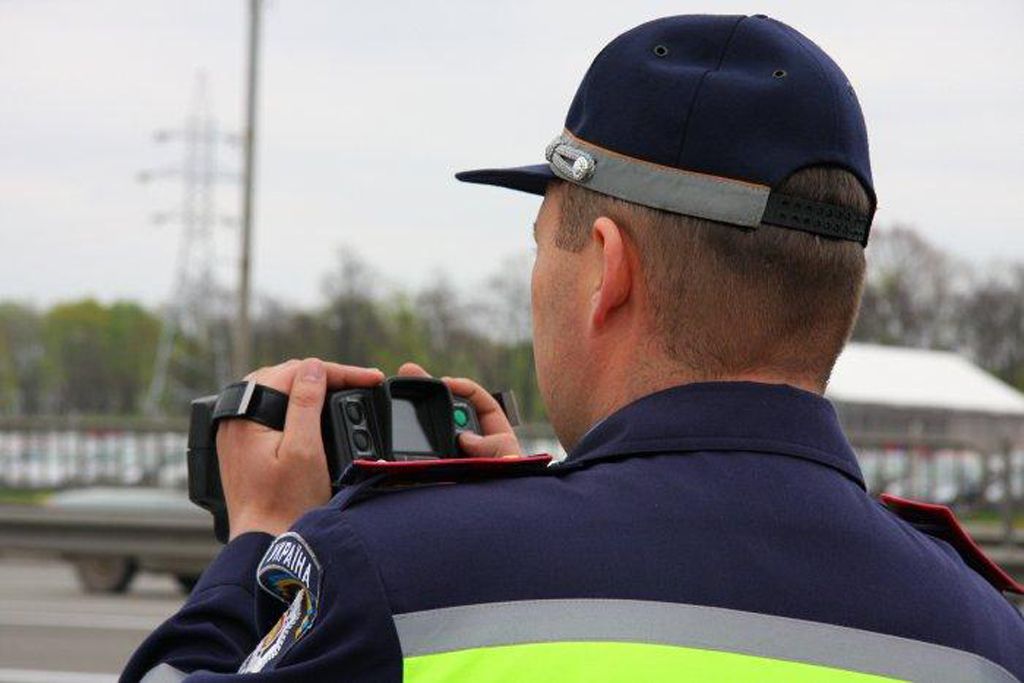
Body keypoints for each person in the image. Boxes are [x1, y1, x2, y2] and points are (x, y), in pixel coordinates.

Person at [123, 14, 1024, 683]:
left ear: (605, 269)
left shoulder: (393, 580)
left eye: (542, 245)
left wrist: (261, 537)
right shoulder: (988, 632)